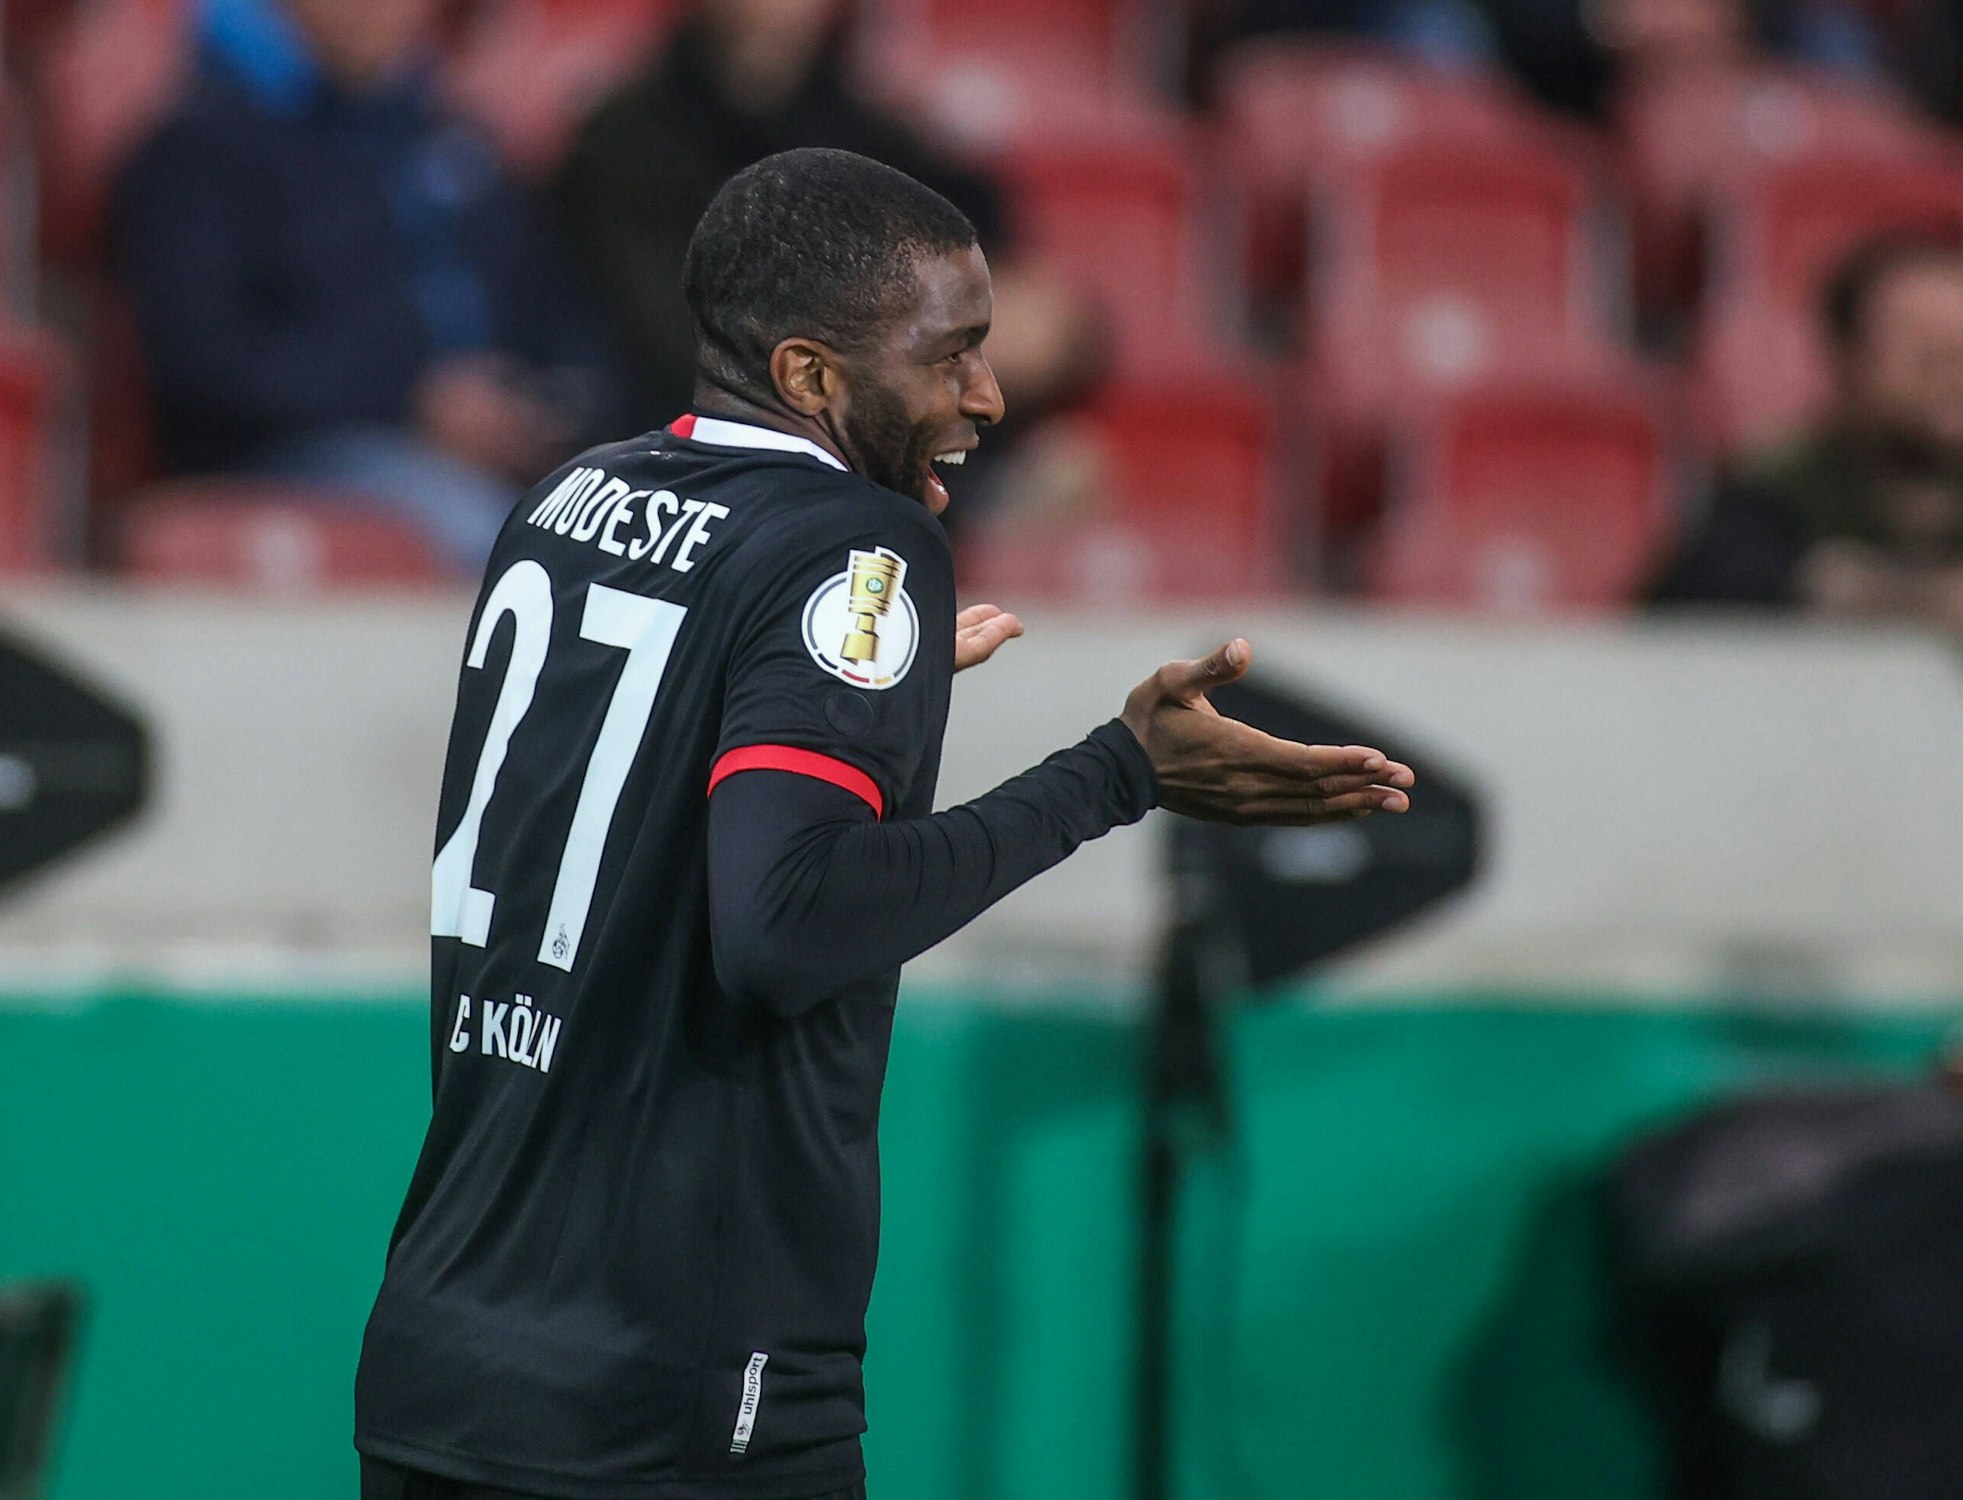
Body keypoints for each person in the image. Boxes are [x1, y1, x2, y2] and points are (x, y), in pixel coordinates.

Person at [353, 147, 1415, 1500]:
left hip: (447, 1351)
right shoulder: (852, 549)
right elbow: (786, 929)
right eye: (951, 353)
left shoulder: (564, 503)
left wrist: (866, 698)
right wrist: (1115, 775)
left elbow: (646, 787)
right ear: (811, 376)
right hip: (676, 1388)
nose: (989, 393)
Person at [550, 0, 1099, 528]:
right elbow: (674, 340)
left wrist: (1025, 318)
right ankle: (972, 501)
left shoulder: (873, 133)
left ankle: (976, 494)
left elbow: (1012, 278)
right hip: (680, 449)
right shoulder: (623, 142)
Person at [113, 0, 614, 574]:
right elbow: (203, 366)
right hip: (297, 454)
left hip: (500, 454)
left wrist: (554, 404)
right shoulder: (202, 148)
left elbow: (556, 311)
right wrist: (409, 400)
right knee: (499, 540)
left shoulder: (457, 141)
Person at [1651, 238, 1963, 658]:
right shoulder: (1778, 487)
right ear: (1848, 357)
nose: (1953, 373)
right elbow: (1691, 608)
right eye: (1922, 347)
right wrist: (1938, 598)